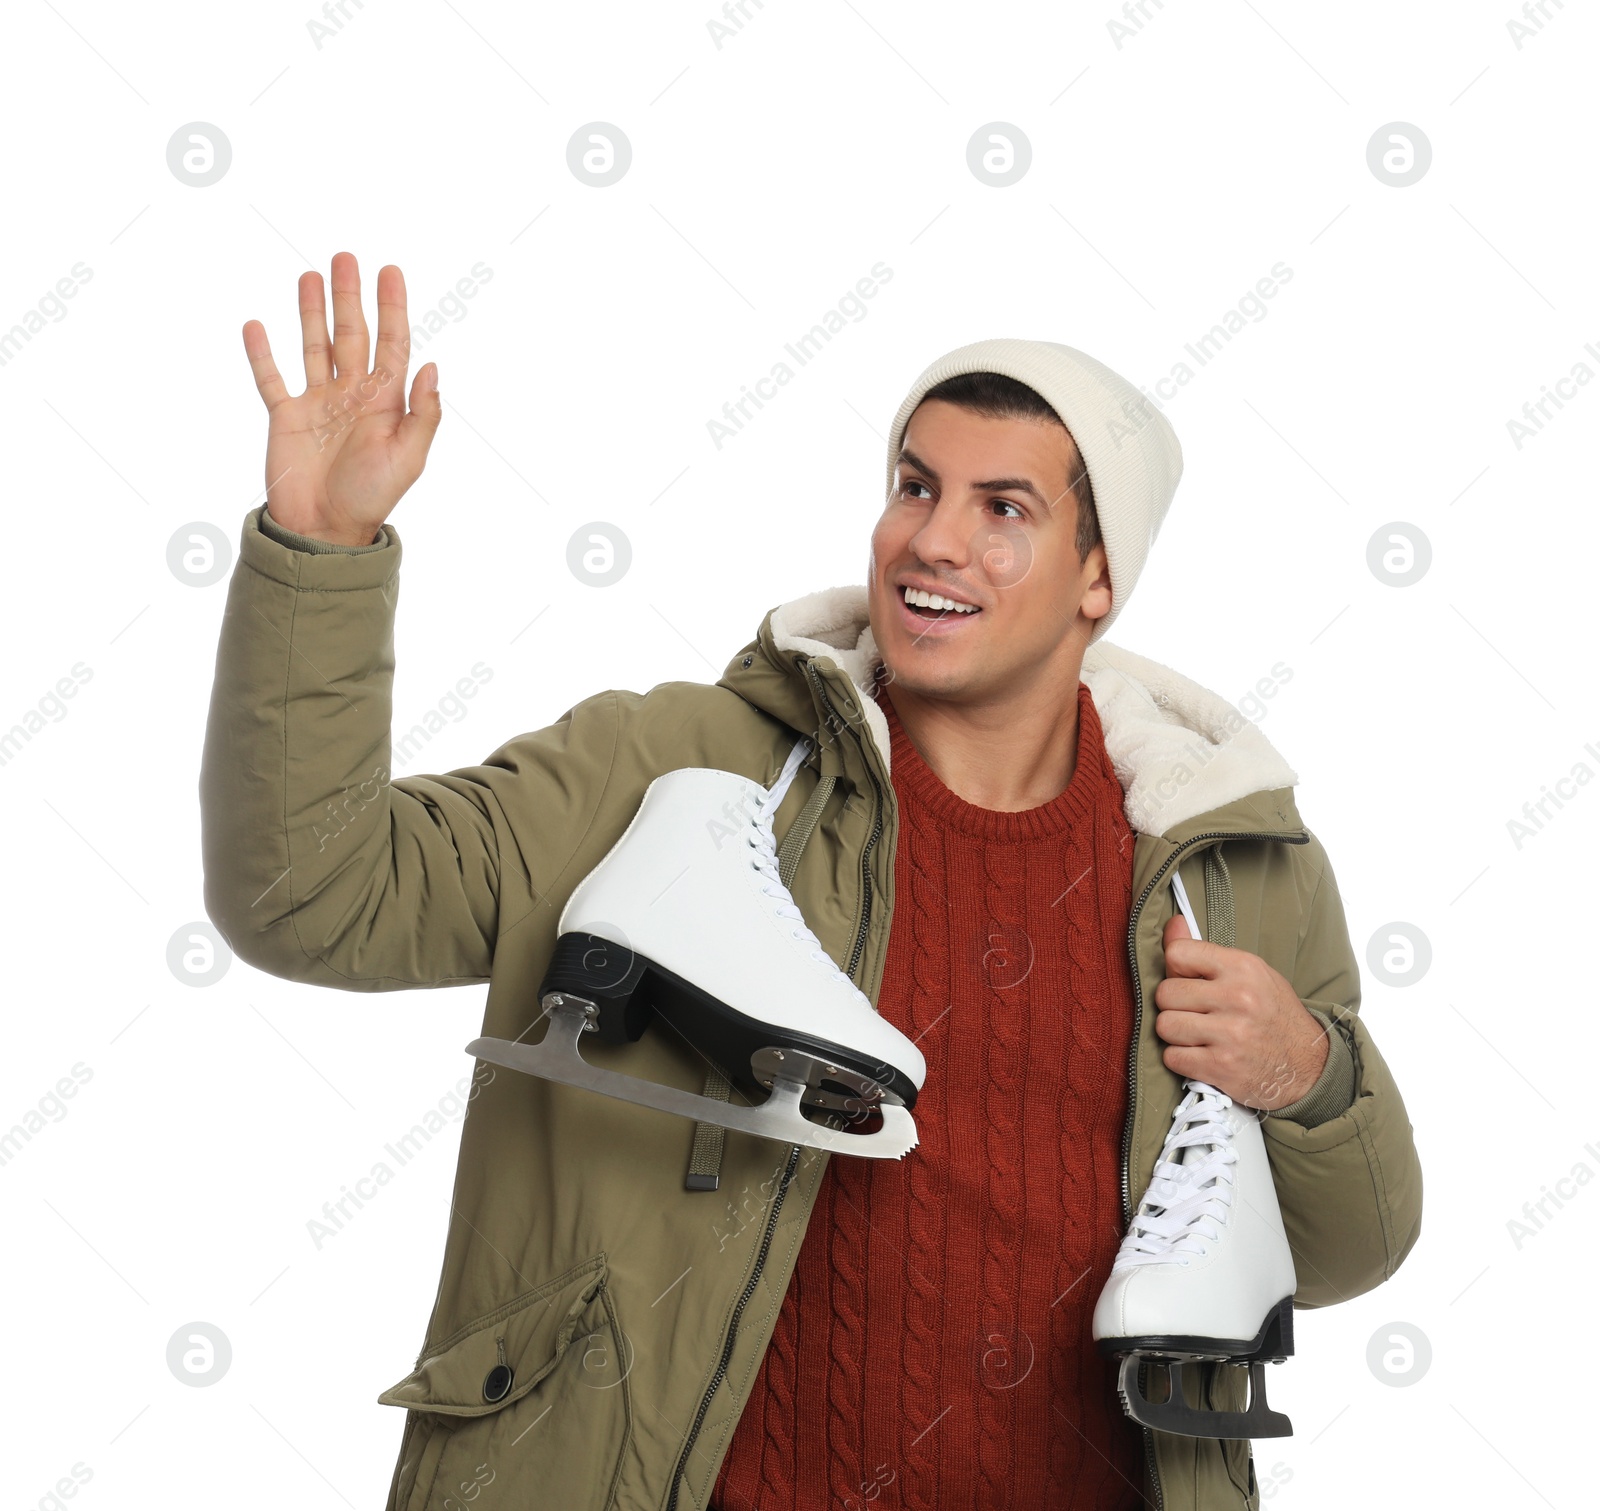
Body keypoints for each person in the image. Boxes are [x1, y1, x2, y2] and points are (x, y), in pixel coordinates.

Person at [201, 252, 1422, 1510]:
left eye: (1003, 509)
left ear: (1098, 580)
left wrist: (1308, 1074)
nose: (931, 539)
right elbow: (314, 892)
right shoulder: (680, 769)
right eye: (914, 485)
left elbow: (1343, 1250)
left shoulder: (1226, 863)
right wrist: (323, 546)